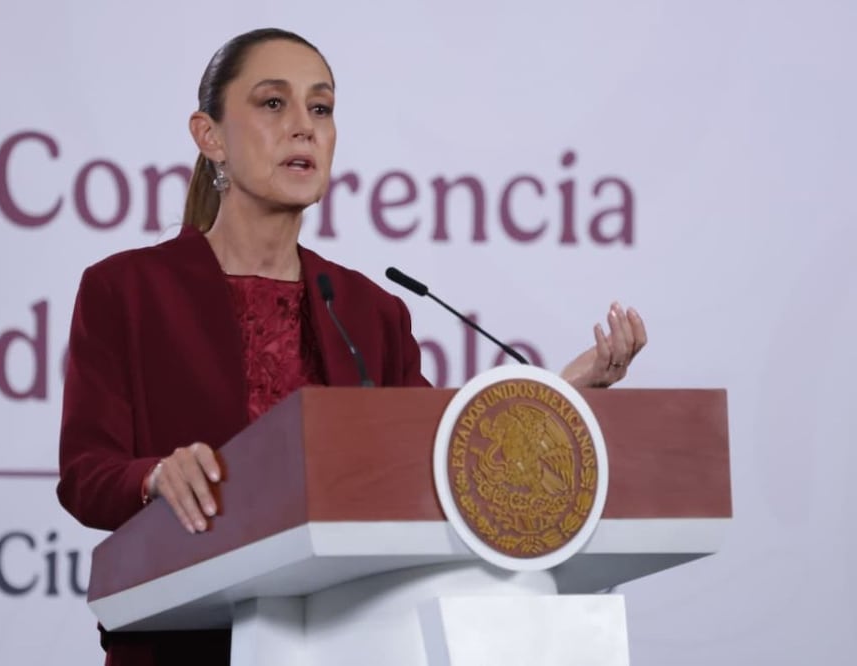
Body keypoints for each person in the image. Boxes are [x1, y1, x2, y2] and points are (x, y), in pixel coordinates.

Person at [56, 27, 647, 666]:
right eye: (273, 103)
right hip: (187, 642)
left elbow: (442, 460)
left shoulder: (369, 312)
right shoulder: (128, 289)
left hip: (351, 639)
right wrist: (154, 475)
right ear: (210, 136)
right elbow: (85, 473)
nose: (304, 127)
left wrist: (563, 392)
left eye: (321, 108)